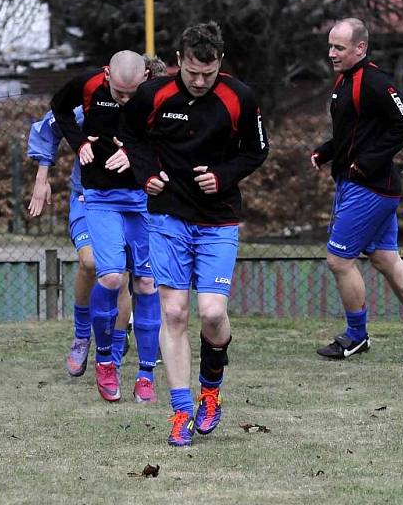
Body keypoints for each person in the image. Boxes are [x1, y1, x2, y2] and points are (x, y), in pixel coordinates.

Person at [121, 22, 269, 446]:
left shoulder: (240, 97)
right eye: (192, 73)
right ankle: (181, 411)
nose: (200, 81)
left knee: (212, 314)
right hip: (168, 215)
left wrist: (223, 176)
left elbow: (257, 151)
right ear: (179, 62)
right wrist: (145, 173)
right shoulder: (154, 95)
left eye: (208, 73)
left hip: (218, 219)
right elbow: (131, 136)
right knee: (174, 313)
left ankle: (211, 390)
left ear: (219, 63)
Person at [312, 18, 403, 360]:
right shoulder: (345, 80)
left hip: (369, 188)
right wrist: (327, 152)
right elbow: (355, 131)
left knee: (339, 260)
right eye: (330, 46)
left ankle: (356, 336)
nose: (332, 53)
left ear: (360, 48)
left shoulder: (374, 81)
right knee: (385, 258)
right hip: (360, 185)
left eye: (339, 48)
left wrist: (368, 162)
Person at [51, 51, 160, 404]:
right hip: (99, 198)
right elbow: (58, 107)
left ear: (145, 76)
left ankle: (146, 374)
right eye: (119, 93)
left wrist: (135, 153)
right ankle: (105, 360)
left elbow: (172, 143)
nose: (126, 101)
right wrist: (79, 142)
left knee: (145, 282)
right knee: (110, 277)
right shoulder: (87, 85)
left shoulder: (159, 94)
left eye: (133, 94)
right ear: (107, 75)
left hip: (143, 199)